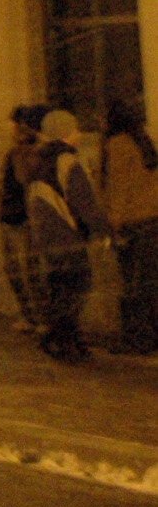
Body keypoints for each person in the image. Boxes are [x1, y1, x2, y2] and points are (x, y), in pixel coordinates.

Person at [26, 110, 108, 362]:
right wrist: (102, 228)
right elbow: (84, 203)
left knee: (61, 287)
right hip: (67, 235)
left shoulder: (39, 159)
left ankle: (66, 339)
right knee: (77, 286)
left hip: (46, 236)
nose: (80, 133)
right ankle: (58, 338)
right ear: (65, 132)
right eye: (75, 129)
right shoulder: (67, 161)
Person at [99, 100, 158, 354]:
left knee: (132, 284)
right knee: (150, 282)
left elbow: (119, 189)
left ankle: (137, 339)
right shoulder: (143, 140)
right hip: (153, 220)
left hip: (133, 224)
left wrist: (112, 226)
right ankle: (152, 336)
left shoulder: (117, 145)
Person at [0, 105, 48, 329]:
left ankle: (38, 317)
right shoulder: (21, 150)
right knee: (18, 269)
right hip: (13, 216)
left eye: (13, 124)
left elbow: (25, 179)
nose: (10, 129)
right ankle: (31, 316)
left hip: (22, 218)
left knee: (27, 270)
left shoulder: (25, 150)